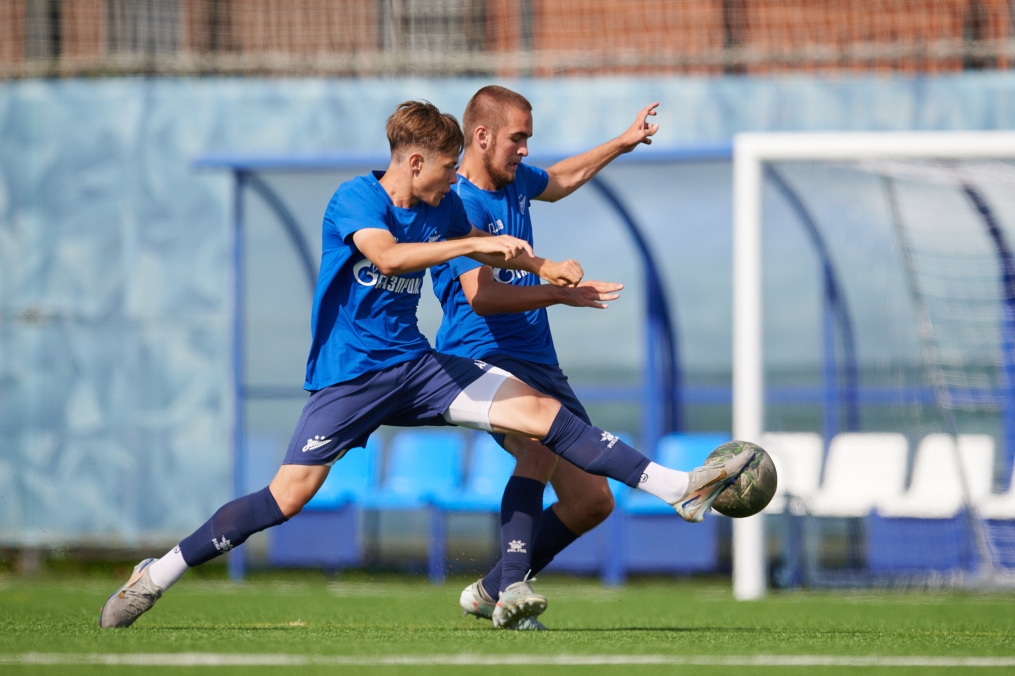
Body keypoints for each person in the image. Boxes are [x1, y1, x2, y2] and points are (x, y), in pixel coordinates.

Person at [99, 100, 754, 630]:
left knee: (538, 415)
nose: (453, 181)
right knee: (285, 499)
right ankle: (156, 575)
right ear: (414, 163)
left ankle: (676, 488)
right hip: (348, 380)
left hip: (415, 369)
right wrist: (474, 245)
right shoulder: (357, 200)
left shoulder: (445, 206)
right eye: (445, 170)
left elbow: (498, 246)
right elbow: (386, 258)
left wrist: (540, 266)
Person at [430, 86, 660, 630]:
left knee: (591, 502)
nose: (526, 150)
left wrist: (622, 143)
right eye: (518, 138)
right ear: (481, 136)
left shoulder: (514, 183)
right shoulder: (454, 202)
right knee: (534, 446)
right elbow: (481, 294)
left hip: (539, 362)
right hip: (481, 358)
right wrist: (556, 289)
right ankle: (512, 591)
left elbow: (558, 180)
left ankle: (490, 586)